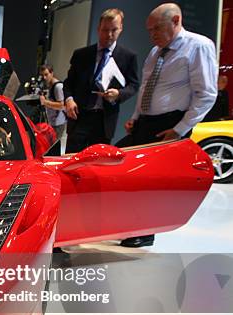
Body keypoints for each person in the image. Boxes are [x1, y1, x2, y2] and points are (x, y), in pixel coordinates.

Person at [119, 3, 218, 248]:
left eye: (157, 28)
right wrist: (136, 115)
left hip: (170, 124)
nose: (152, 34)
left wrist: (180, 129)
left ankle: (145, 231)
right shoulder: (155, 52)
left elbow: (205, 94)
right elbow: (146, 88)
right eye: (149, 30)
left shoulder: (198, 46)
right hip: (146, 122)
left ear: (175, 20)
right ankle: (132, 224)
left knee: (153, 180)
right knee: (133, 175)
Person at [63, 8, 139, 154]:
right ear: (98, 29)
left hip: (104, 120)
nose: (109, 35)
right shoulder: (81, 55)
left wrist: (119, 93)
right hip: (79, 116)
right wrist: (69, 99)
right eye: (105, 30)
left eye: (114, 30)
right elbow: (68, 83)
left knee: (97, 162)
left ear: (121, 28)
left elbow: (134, 85)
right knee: (71, 159)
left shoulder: (128, 57)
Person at [39, 64, 66, 142]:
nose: (44, 77)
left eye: (46, 74)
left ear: (52, 73)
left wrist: (45, 102)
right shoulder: (50, 86)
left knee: (53, 148)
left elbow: (61, 105)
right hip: (53, 122)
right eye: (42, 75)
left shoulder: (58, 87)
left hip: (58, 124)